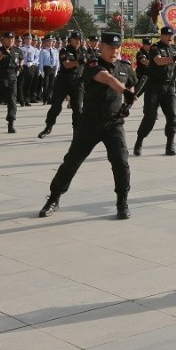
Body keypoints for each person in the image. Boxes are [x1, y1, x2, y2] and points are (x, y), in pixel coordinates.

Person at [39, 31, 138, 220]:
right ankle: (54, 198)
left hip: (114, 122)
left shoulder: (125, 66)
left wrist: (128, 103)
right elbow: (109, 80)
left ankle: (122, 202)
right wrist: (125, 91)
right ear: (101, 47)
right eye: (110, 47)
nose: (114, 51)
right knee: (72, 162)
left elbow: (131, 83)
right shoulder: (94, 65)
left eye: (117, 47)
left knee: (121, 162)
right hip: (90, 122)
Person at [136, 26, 176, 155]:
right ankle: (140, 140)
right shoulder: (155, 48)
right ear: (161, 35)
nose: (170, 37)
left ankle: (170, 144)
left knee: (172, 117)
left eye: (171, 35)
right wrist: (174, 59)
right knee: (150, 117)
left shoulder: (175, 49)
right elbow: (158, 61)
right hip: (154, 87)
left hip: (169, 87)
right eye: (167, 35)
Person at [40, 31, 87, 138]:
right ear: (70, 40)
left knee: (78, 108)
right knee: (56, 106)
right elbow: (66, 65)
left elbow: (90, 65)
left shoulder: (84, 51)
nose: (78, 42)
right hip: (64, 81)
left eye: (80, 40)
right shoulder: (64, 50)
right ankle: (48, 127)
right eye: (75, 40)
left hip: (78, 82)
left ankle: (77, 132)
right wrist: (78, 62)